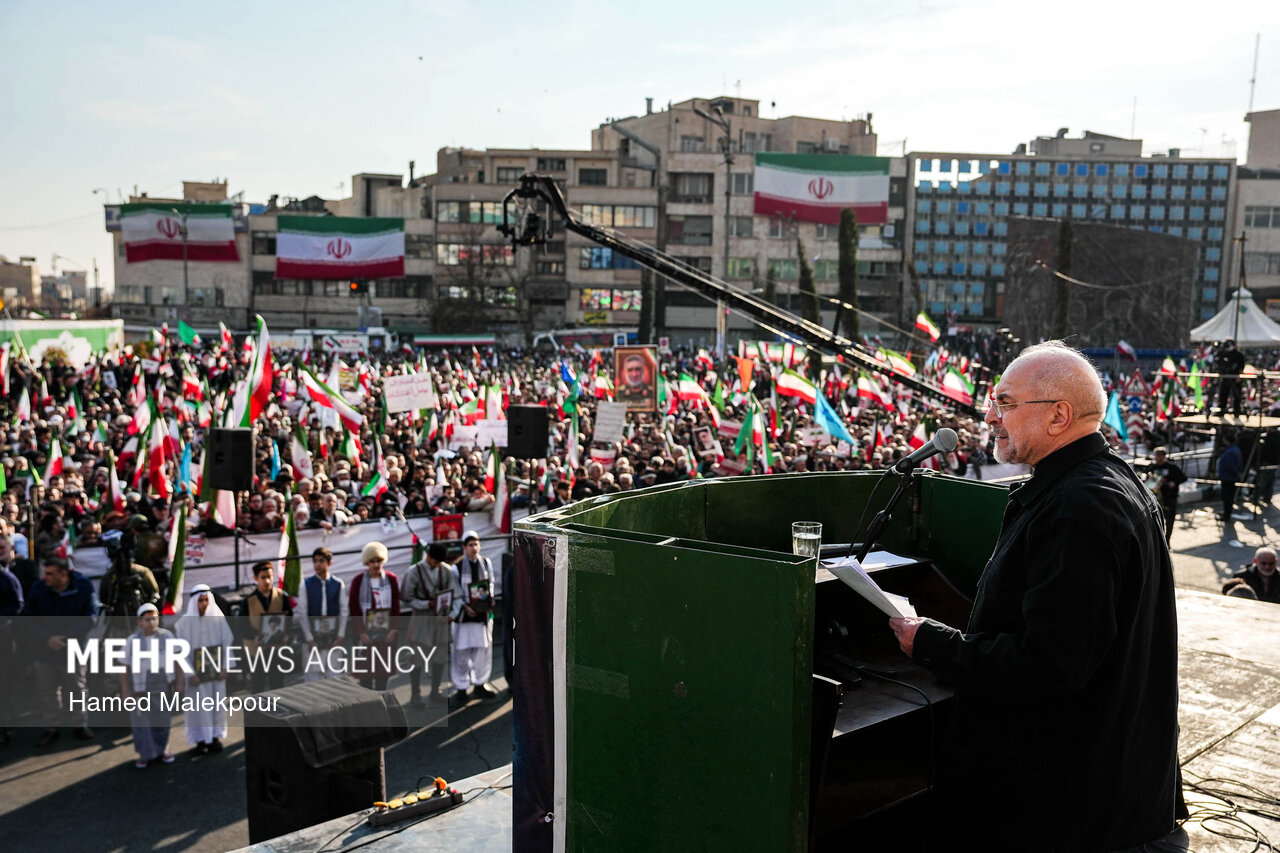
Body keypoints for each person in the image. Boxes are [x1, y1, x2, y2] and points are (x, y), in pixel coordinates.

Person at [888, 341, 1184, 852]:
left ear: (1058, 416)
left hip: (1079, 816)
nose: (989, 415)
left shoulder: (1078, 507)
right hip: (1115, 796)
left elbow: (1052, 664)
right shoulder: (1110, 480)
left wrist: (935, 645)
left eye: (1004, 402)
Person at [22, 556, 98, 747]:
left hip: (73, 647)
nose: (45, 577)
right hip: (44, 648)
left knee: (76, 687)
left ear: (63, 574)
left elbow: (90, 617)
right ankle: (51, 727)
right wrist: (47, 638)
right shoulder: (39, 589)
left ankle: (79, 724)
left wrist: (64, 638)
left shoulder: (83, 586)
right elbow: (27, 618)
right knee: (46, 689)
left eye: (49, 574)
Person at [173, 584, 234, 755]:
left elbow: (228, 643)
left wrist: (225, 667)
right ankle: (199, 740)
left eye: (206, 599)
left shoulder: (218, 619)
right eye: (200, 600)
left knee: (216, 706)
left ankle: (214, 738)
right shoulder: (183, 624)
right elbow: (180, 652)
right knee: (197, 709)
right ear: (194, 602)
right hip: (195, 676)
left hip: (216, 674)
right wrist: (189, 673)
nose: (204, 603)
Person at [120, 603, 177, 769]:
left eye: (154, 619)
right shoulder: (131, 641)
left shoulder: (166, 636)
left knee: (162, 719)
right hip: (140, 688)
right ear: (139, 622)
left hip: (162, 684)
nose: (151, 623)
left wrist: (179, 681)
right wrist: (125, 691)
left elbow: (177, 659)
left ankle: (162, 749)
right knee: (142, 722)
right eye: (147, 619)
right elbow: (124, 667)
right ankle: (146, 753)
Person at [400, 542, 453, 707]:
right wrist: (426, 604)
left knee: (440, 655)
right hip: (422, 619)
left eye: (439, 562)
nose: (437, 565)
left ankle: (435, 691)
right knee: (417, 657)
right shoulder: (413, 572)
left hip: (440, 619)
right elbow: (406, 598)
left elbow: (453, 592)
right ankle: (415, 695)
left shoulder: (446, 570)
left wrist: (449, 610)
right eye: (435, 561)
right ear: (428, 557)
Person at [450, 530, 498, 701]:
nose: (474, 548)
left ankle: (480, 683)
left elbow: (490, 583)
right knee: (461, 653)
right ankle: (461, 687)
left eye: (476, 544)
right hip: (464, 617)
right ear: (464, 547)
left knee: (482, 652)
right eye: (470, 545)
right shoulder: (455, 568)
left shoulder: (486, 562)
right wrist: (464, 606)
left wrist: (490, 598)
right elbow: (454, 592)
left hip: (481, 616)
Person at [348, 541, 399, 692]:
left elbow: (396, 606)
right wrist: (361, 633)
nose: (376, 565)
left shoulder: (391, 579)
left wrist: (394, 630)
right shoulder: (358, 581)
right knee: (366, 678)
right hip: (366, 637)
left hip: (386, 635)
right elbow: (354, 608)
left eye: (379, 561)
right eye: (372, 561)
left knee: (383, 676)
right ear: (366, 562)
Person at [296, 547, 349, 682]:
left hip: (333, 638)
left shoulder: (338, 584)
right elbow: (302, 612)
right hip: (312, 638)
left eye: (321, 561)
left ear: (329, 563)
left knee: (334, 677)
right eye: (315, 561)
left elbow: (344, 610)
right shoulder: (305, 585)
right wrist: (309, 638)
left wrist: (340, 635)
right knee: (313, 678)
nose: (317, 564)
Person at [242, 561, 292, 693]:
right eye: (263, 577)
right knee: (258, 684)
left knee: (277, 683)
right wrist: (254, 636)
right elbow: (242, 625)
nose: (267, 580)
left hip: (276, 649)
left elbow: (289, 620)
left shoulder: (282, 596)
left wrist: (286, 635)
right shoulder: (248, 601)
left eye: (270, 576)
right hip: (256, 650)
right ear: (256, 578)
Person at [1144, 446, 1187, 544]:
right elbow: (1146, 479)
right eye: (1156, 455)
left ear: (1164, 456)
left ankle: (1167, 540)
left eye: (1159, 455)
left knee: (1169, 520)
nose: (1157, 457)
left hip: (1169, 497)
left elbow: (1183, 478)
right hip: (1156, 499)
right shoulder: (1152, 467)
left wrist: (1174, 483)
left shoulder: (1172, 467)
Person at [1218, 433, 1247, 521]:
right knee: (1229, 496)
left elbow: (1230, 465)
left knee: (1227, 497)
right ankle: (1227, 512)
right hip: (1231, 477)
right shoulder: (1235, 450)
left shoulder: (1231, 451)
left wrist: (1237, 473)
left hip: (1228, 477)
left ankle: (1227, 514)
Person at [1214, 339, 1245, 415]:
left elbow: (1241, 367)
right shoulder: (1222, 353)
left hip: (1235, 377)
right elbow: (1218, 362)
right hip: (1225, 377)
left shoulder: (1238, 355)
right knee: (1223, 393)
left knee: (1236, 395)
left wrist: (1239, 376)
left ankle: (1236, 410)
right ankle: (1221, 409)